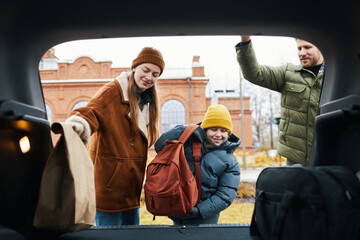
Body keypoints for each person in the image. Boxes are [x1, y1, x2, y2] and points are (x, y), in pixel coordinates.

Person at [65, 47, 165, 226]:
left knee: (131, 236)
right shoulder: (113, 91)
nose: (149, 77)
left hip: (130, 189)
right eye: (146, 70)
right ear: (134, 67)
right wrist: (77, 125)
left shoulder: (147, 100)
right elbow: (90, 112)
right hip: (108, 188)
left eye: (155, 74)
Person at [235, 36, 325, 166]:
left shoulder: (335, 74)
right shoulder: (288, 74)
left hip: (326, 155)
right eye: (299, 48)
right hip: (295, 160)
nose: (302, 53)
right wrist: (245, 41)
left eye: (307, 47)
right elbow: (254, 73)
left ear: (321, 48)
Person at [154, 104, 241, 225]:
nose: (218, 134)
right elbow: (159, 146)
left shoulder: (230, 161)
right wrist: (184, 130)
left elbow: (225, 195)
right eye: (214, 129)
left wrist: (199, 211)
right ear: (205, 129)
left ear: (228, 134)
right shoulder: (187, 145)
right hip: (179, 209)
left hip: (206, 217)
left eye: (223, 131)